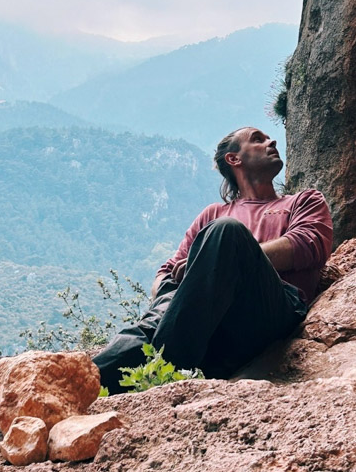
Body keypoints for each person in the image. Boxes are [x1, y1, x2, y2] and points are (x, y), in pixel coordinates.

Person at [94, 126, 334, 392]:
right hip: (206, 325)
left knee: (227, 231)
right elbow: (166, 272)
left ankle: (164, 370)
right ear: (234, 159)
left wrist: (223, 260)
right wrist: (184, 286)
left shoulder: (303, 201)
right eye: (258, 139)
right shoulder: (213, 213)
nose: (272, 140)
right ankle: (85, 386)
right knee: (146, 327)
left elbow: (307, 244)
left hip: (265, 312)